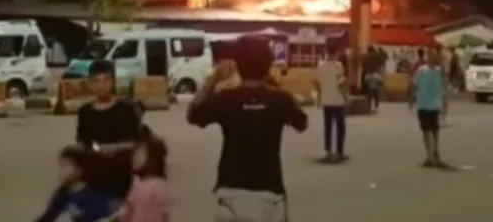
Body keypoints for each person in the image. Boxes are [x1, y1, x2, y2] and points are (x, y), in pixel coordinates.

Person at [187, 36, 308, 222]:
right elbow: (302, 123)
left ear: (238, 65)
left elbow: (193, 115)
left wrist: (214, 78)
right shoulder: (280, 100)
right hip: (270, 191)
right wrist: (274, 82)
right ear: (268, 64)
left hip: (231, 190)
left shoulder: (225, 98)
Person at [76, 60, 142, 201]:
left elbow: (137, 141)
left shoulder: (127, 109)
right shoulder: (85, 112)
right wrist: (97, 148)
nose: (102, 85)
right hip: (95, 176)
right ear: (90, 84)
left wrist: (112, 148)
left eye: (106, 80)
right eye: (96, 81)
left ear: (112, 81)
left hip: (123, 176)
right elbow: (83, 144)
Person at [35, 146, 117, 222]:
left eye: (65, 166)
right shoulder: (63, 192)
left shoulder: (94, 195)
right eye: (60, 166)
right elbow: (49, 216)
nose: (61, 171)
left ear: (80, 169)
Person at [117, 135, 172, 222]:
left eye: (141, 153)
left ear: (153, 160)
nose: (135, 157)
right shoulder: (138, 183)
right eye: (135, 153)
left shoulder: (151, 188)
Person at [410, 49, 448, 167]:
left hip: (434, 104)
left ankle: (434, 153)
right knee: (427, 131)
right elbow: (414, 85)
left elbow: (445, 81)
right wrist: (412, 99)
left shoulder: (438, 71)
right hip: (423, 104)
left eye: (434, 57)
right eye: (430, 56)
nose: (431, 59)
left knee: (434, 131)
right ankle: (429, 156)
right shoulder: (421, 70)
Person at [316, 45, 349, 163]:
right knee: (340, 127)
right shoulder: (338, 66)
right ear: (336, 53)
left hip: (326, 100)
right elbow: (341, 83)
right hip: (337, 100)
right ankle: (339, 151)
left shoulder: (320, 66)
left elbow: (317, 83)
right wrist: (346, 97)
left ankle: (328, 151)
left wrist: (319, 98)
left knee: (327, 126)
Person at [363, 46, 383, 113]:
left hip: (368, 72)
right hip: (375, 72)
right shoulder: (376, 55)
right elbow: (380, 63)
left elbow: (364, 64)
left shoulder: (367, 56)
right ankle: (376, 107)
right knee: (376, 95)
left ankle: (369, 107)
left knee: (369, 94)